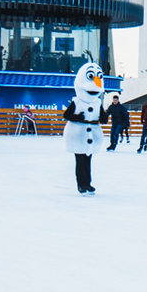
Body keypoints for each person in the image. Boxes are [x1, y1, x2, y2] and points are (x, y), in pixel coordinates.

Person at [62, 63, 106, 195]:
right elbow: (67, 115)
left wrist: (104, 118)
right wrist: (77, 117)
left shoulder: (97, 103)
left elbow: (103, 117)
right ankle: (81, 184)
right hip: (78, 135)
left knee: (88, 161)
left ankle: (88, 183)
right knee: (80, 162)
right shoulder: (77, 102)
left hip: (91, 136)